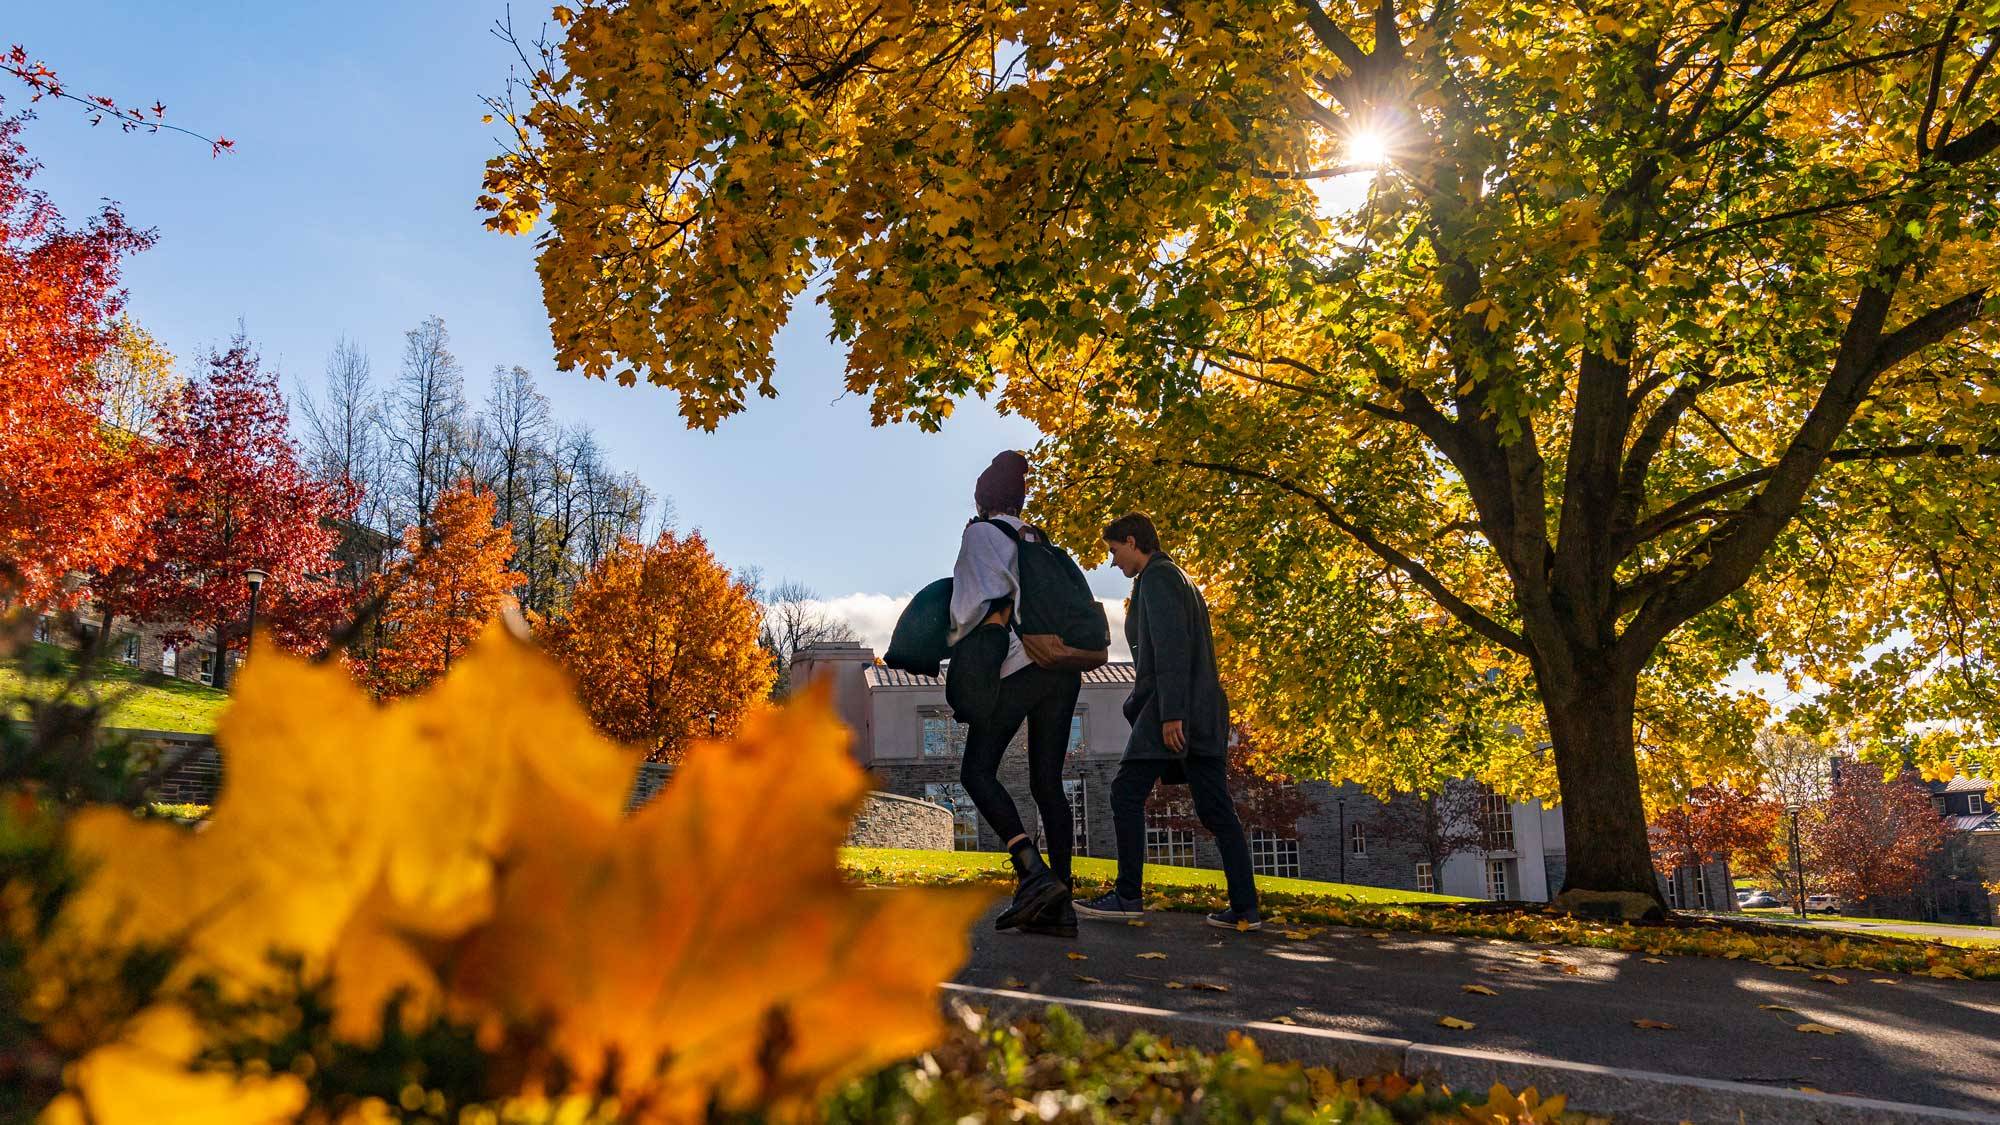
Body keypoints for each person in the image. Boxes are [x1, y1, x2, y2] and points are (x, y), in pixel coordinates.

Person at [1075, 513, 1261, 931]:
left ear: (1131, 539)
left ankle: (1127, 896)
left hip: (1171, 709)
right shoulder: (1182, 579)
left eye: (1113, 551)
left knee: (1125, 792)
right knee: (1217, 810)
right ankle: (1246, 909)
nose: (1113, 563)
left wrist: (1171, 713)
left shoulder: (1157, 579)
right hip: (1205, 711)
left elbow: (1170, 647)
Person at [946, 451, 1085, 937]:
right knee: (1048, 782)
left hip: (1015, 666)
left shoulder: (980, 534)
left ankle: (1031, 869)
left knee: (976, 771)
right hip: (1060, 667)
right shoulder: (1038, 539)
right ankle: (1059, 902)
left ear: (983, 500)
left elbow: (969, 609)